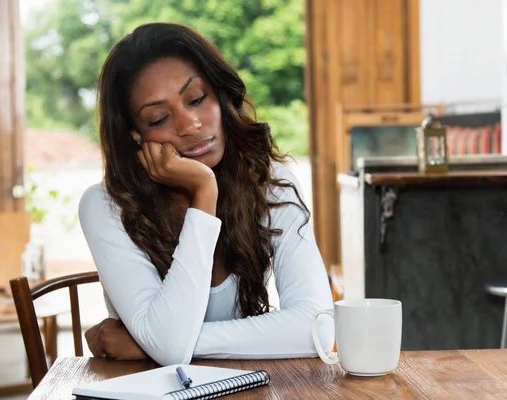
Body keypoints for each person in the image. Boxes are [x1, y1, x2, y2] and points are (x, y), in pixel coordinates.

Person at [79, 22, 334, 366]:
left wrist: (149, 345)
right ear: (136, 134)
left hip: (249, 385)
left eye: (197, 99)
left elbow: (318, 328)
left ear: (220, 93)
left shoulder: (269, 183)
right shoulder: (105, 206)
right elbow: (168, 345)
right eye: (159, 118)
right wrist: (204, 191)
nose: (189, 125)